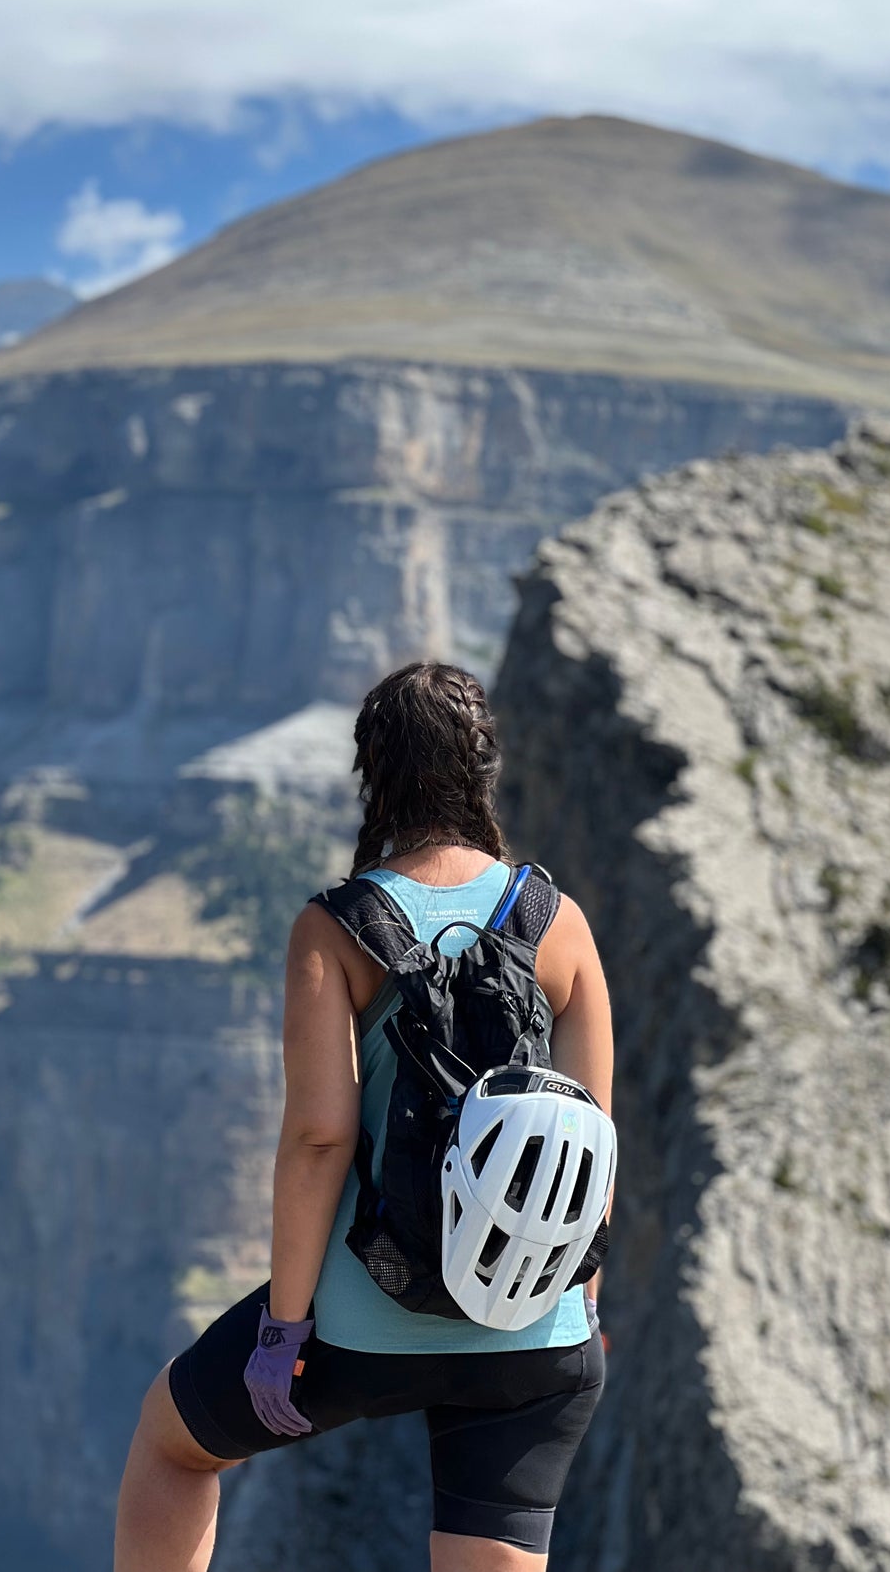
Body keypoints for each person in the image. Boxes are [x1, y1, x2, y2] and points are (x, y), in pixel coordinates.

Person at [114, 661, 614, 1572]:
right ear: (483, 767)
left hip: (364, 1320)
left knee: (170, 1444)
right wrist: (580, 1301)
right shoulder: (559, 921)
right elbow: (591, 1136)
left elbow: (319, 1138)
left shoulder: (337, 927)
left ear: (372, 771)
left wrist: (283, 1331)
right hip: (535, 1330)